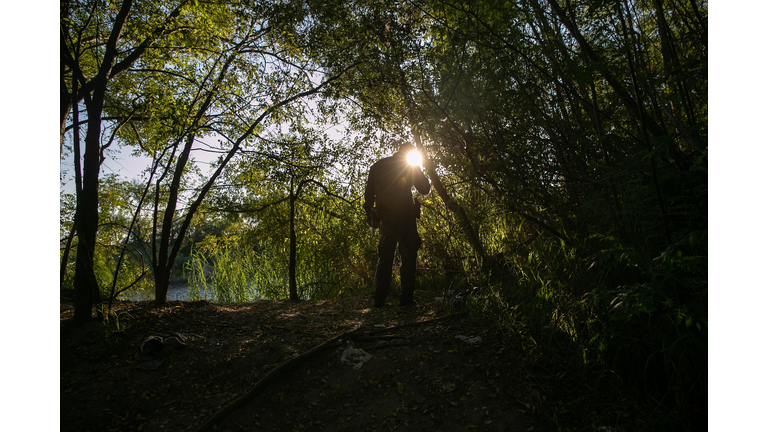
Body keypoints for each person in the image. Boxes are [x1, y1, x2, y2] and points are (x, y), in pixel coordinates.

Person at [363, 143, 431, 307]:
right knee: (408, 258)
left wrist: (369, 213)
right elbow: (424, 188)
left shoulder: (377, 166)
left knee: (384, 259)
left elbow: (368, 193)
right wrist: (421, 168)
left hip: (385, 220)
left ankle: (379, 299)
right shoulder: (410, 166)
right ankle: (406, 299)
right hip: (406, 220)